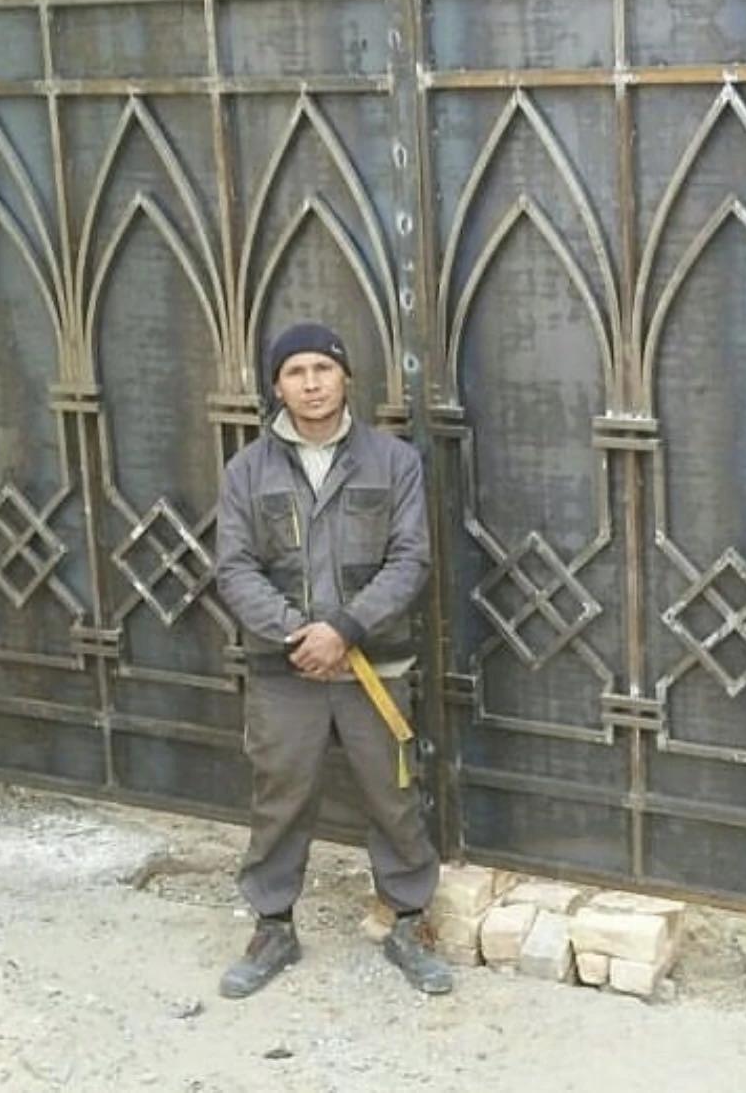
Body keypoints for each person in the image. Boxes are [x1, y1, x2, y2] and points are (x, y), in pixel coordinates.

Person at [214, 321, 450, 999]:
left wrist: (345, 628)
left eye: (323, 368)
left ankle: (408, 920)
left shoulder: (393, 462)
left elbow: (411, 558)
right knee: (280, 796)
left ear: (346, 376)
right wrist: (301, 635)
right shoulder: (247, 470)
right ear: (277, 385)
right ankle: (272, 926)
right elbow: (235, 569)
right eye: (295, 372)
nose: (311, 383)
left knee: (392, 795)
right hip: (286, 669)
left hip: (375, 668)